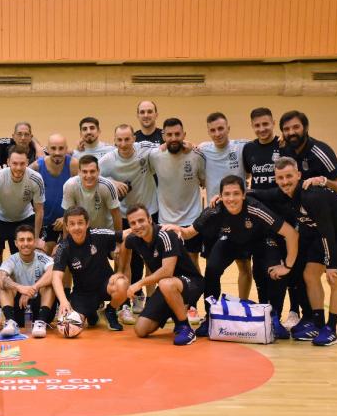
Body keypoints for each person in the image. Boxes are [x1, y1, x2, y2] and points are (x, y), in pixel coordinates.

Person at [165, 175, 299, 338]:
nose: (231, 198)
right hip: (231, 240)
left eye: (236, 193)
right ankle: (210, 318)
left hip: (260, 241)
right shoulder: (215, 210)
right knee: (212, 269)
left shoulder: (255, 208)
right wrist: (177, 229)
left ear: (244, 195)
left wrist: (287, 266)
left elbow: (291, 234)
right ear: (220, 197)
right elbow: (188, 233)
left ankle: (274, 318)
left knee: (274, 272)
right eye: (227, 194)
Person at [250, 157, 337, 345]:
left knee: (336, 276)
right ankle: (318, 322)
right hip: (323, 234)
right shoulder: (283, 193)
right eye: (280, 178)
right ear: (276, 179)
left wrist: (330, 264)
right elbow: (258, 194)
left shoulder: (312, 195)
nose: (285, 181)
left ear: (299, 175)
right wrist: (229, 194)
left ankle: (331, 328)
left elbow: (327, 231)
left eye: (289, 176)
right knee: (310, 274)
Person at [278, 110, 337, 335]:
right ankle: (314, 320)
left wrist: (325, 181)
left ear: (305, 127)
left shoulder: (319, 151)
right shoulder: (285, 151)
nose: (291, 132)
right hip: (311, 222)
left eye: (295, 127)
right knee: (307, 271)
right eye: (286, 129)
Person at [243, 107, 302, 329]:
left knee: (290, 263)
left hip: (285, 212)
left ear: (273, 123)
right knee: (261, 265)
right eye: (257, 125)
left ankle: (294, 310)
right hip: (260, 215)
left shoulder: (283, 146)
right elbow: (248, 175)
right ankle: (265, 310)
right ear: (252, 126)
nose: (262, 129)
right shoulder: (248, 149)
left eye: (265, 124)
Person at [118, 204, 204, 345]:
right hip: (168, 288)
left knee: (165, 282)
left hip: (191, 282)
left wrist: (139, 283)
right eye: (133, 223)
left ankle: (184, 326)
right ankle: (176, 311)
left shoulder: (165, 234)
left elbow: (167, 271)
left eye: (141, 220)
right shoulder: (134, 239)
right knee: (141, 329)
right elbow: (124, 245)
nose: (138, 225)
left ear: (150, 220)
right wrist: (121, 272)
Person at [99, 124, 159, 324]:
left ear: (134, 138)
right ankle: (123, 303)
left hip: (147, 213)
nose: (124, 144)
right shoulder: (108, 159)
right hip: (123, 216)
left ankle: (149, 300)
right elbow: (91, 173)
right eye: (120, 140)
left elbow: (166, 147)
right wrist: (110, 182)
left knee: (151, 260)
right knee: (123, 261)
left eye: (127, 139)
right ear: (114, 141)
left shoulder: (146, 151)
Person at [198, 112, 252, 300]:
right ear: (208, 132)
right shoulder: (203, 149)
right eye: (212, 130)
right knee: (212, 268)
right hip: (215, 215)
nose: (217, 133)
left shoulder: (242, 147)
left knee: (244, 265)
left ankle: (244, 304)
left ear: (228, 128)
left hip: (239, 214)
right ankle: (212, 310)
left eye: (221, 128)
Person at [51, 206, 129, 331]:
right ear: (67, 227)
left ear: (87, 223)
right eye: (72, 224)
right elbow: (56, 277)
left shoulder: (98, 234)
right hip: (83, 293)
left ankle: (110, 311)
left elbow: (126, 234)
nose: (76, 227)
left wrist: (158, 228)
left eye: (80, 223)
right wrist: (64, 301)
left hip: (106, 285)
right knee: (73, 325)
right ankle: (92, 313)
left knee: (122, 284)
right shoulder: (63, 247)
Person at [147, 118, 206, 266]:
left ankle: (195, 290)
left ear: (184, 135)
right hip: (165, 221)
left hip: (192, 220)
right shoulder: (154, 156)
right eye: (169, 135)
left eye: (177, 134)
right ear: (163, 136)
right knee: (164, 264)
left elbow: (204, 181)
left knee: (192, 261)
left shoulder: (196, 156)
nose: (173, 138)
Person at [0, 145, 46, 257]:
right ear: (8, 162)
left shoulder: (36, 178)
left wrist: (36, 238)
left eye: (22, 163)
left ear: (27, 162)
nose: (18, 167)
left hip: (24, 219)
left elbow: (39, 210)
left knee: (26, 256)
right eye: (15, 163)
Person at [0, 225, 56, 338]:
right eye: (22, 240)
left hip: (41, 308)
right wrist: (19, 287)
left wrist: (33, 288)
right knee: (5, 284)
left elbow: (53, 271)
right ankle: (10, 322)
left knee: (49, 284)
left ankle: (41, 322)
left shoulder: (42, 258)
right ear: (16, 243)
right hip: (20, 309)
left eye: (29, 239)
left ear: (35, 242)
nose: (26, 243)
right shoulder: (12, 260)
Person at [30, 133, 79, 255]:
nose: (57, 152)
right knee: (46, 253)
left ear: (66, 149)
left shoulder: (73, 165)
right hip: (45, 223)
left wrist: (67, 217)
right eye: (53, 148)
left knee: (66, 256)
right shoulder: (37, 166)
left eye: (61, 148)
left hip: (68, 221)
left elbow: (82, 196)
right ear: (47, 149)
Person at [61, 155, 121, 230]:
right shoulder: (70, 185)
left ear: (98, 171)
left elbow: (116, 215)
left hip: (105, 231)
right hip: (81, 232)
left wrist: (118, 240)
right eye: (84, 172)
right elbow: (67, 216)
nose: (88, 176)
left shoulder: (107, 186)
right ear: (79, 172)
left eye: (92, 171)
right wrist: (65, 241)